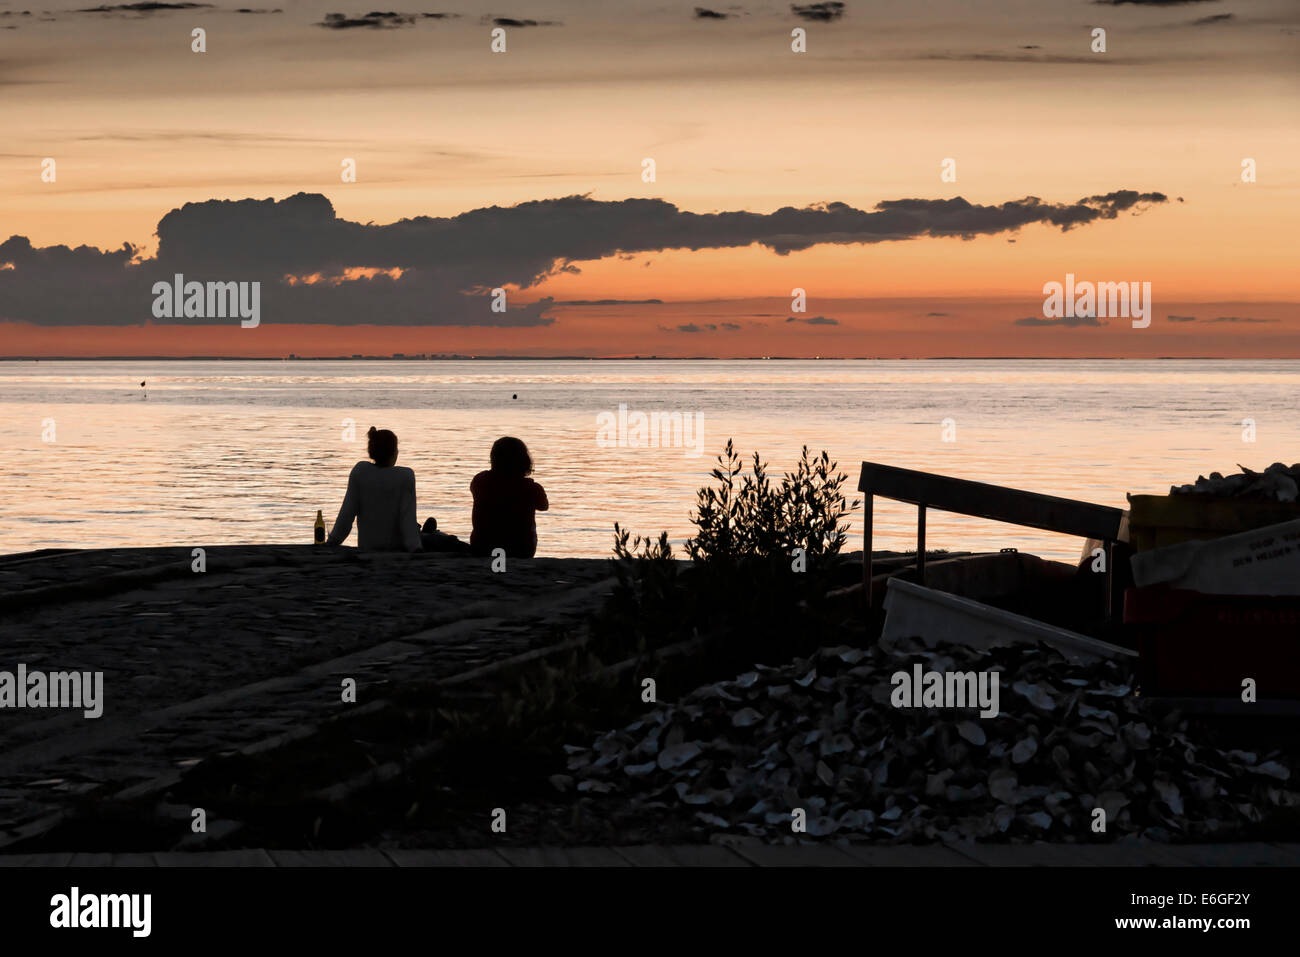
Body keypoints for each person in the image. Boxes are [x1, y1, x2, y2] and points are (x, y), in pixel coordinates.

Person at [325, 427, 422, 552]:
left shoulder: (360, 471)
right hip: (396, 551)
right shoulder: (405, 476)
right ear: (393, 452)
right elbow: (407, 520)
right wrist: (416, 548)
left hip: (367, 548)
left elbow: (346, 515)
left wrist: (332, 541)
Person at [470, 436, 549, 558]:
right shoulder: (531, 488)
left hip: (483, 547)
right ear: (524, 461)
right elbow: (544, 506)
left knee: (445, 541)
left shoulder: (480, 480)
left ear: (493, 459)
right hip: (521, 550)